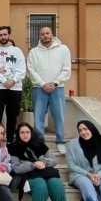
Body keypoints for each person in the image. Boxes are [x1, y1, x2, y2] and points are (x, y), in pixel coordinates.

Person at [9, 122, 73, 201]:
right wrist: (33, 165)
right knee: (40, 184)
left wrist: (43, 162)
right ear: (18, 135)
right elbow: (16, 168)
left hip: (45, 173)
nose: (25, 134)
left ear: (31, 133)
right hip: (28, 176)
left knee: (57, 184)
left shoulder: (40, 144)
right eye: (22, 132)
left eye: (27, 132)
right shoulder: (13, 148)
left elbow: (53, 160)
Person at [27, 26, 72, 155]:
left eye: (47, 33)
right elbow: (31, 70)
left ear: (52, 34)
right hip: (39, 88)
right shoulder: (34, 52)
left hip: (57, 88)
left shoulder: (63, 49)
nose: (45, 36)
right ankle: (39, 143)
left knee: (59, 116)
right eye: (42, 34)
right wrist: (42, 84)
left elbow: (66, 69)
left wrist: (55, 83)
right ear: (39, 36)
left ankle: (60, 142)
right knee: (38, 118)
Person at [0, 25, 26, 143]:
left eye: (5, 34)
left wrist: (13, 80)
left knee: (12, 116)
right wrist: (4, 81)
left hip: (15, 88)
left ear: (9, 35)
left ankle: (10, 141)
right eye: (0, 35)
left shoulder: (17, 51)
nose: (3, 37)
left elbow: (22, 69)